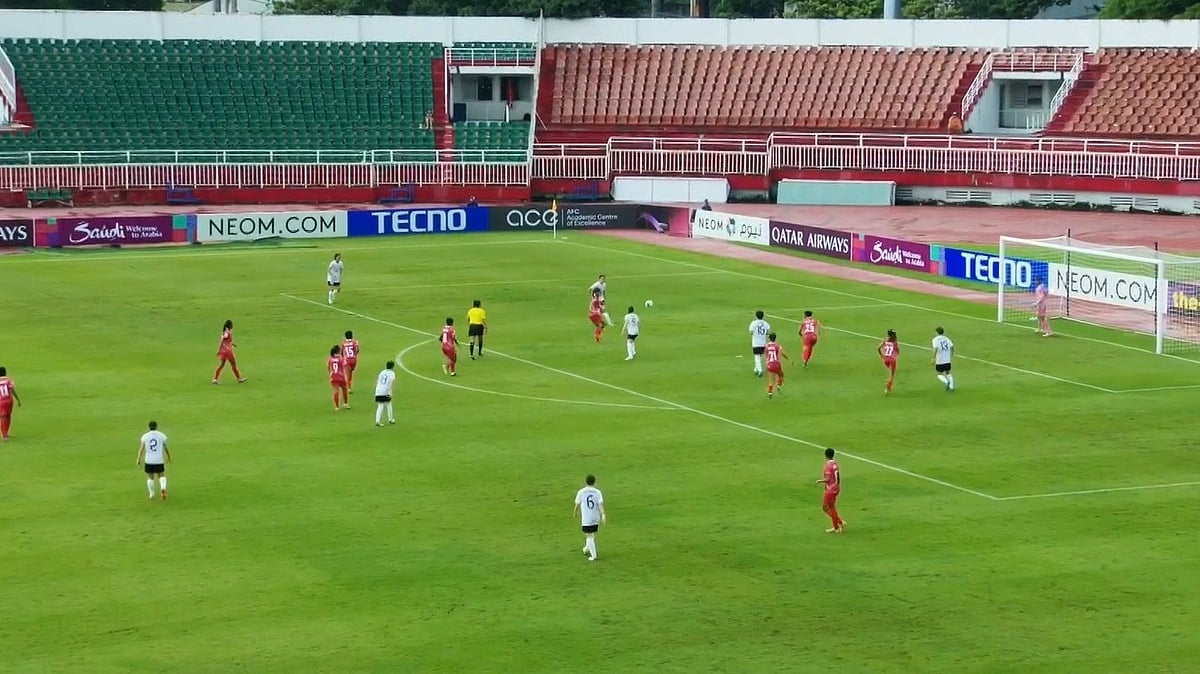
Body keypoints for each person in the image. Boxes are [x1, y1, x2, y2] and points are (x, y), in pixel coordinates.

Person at [573, 474, 606, 562]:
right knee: (591, 534)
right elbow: (600, 505)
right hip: (596, 517)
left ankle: (594, 556)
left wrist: (575, 513)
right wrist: (603, 515)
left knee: (589, 535)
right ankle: (587, 548)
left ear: (586, 482)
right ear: (594, 482)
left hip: (587, 518)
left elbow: (577, 504)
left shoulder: (581, 492)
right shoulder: (597, 492)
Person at [136, 420, 171, 501]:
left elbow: (141, 449)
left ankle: (151, 494)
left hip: (149, 460)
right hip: (159, 459)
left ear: (148, 427)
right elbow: (165, 447)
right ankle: (163, 488)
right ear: (157, 426)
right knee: (161, 475)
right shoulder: (161, 435)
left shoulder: (145, 436)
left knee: (150, 477)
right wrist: (169, 456)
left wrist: (138, 458)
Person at [815, 448, 845, 533]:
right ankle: (837, 524)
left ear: (825, 455)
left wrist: (819, 481)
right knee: (832, 507)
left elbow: (828, 479)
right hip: (836, 488)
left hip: (831, 489)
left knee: (825, 507)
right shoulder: (835, 463)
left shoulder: (828, 466)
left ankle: (838, 524)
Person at [212, 319, 246, 384]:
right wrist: (218, 350)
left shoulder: (224, 331)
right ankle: (239, 379)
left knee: (221, 365)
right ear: (230, 325)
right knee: (233, 365)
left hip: (223, 351)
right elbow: (222, 340)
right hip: (228, 351)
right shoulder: (227, 332)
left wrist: (232, 344)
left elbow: (226, 341)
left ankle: (215, 379)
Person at [764, 332, 789, 398]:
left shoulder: (767, 346)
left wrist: (767, 363)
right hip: (776, 363)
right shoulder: (777, 345)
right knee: (781, 375)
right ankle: (779, 385)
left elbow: (766, 355)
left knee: (771, 380)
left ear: (769, 338)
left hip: (769, 364)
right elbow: (782, 353)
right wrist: (788, 359)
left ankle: (770, 393)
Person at [0, 366, 22, 442]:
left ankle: (4, 435)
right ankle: (6, 433)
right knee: (8, 416)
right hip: (9, 400)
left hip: (1, 401)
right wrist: (18, 399)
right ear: (5, 373)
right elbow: (12, 390)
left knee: (3, 417)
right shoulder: (8, 380)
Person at [932, 326, 955, 392]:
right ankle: (951, 387)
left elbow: (935, 349)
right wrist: (951, 355)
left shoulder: (935, 339)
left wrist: (933, 358)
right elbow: (952, 348)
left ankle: (946, 381)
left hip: (940, 360)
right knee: (948, 373)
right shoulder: (947, 339)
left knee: (939, 373)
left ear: (936, 332)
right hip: (947, 360)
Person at [374, 361, 397, 427]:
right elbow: (390, 383)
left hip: (378, 390)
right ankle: (390, 419)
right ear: (392, 367)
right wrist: (389, 392)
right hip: (385, 391)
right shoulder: (392, 373)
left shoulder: (382, 372)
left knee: (380, 406)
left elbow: (378, 381)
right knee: (389, 404)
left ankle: (377, 421)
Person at [748, 310, 771, 377]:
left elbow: (751, 332)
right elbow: (768, 332)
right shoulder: (766, 323)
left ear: (756, 316)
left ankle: (760, 370)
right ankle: (756, 369)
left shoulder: (753, 323)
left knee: (757, 357)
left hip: (756, 343)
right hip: (763, 343)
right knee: (760, 356)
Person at [878, 329, 900, 395]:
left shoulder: (885, 341)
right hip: (892, 360)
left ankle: (888, 386)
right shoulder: (895, 342)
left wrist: (881, 355)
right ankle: (887, 389)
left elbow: (878, 348)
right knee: (891, 376)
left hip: (885, 359)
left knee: (890, 372)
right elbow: (898, 351)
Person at [328, 345, 349, 410]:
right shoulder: (341, 358)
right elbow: (345, 366)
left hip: (333, 377)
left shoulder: (330, 359)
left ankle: (337, 407)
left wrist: (330, 374)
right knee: (344, 389)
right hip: (341, 376)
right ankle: (345, 404)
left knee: (336, 391)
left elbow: (328, 367)